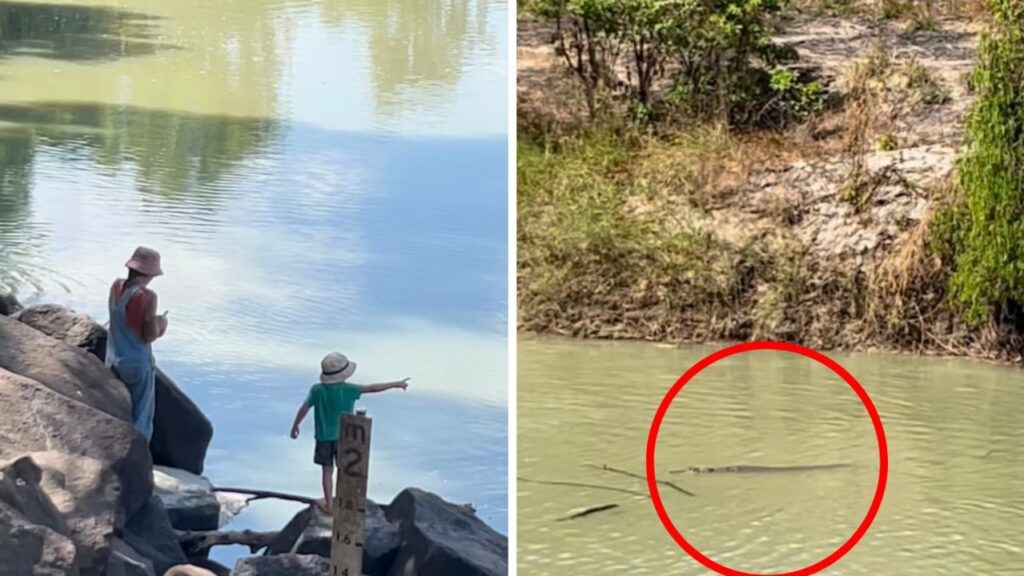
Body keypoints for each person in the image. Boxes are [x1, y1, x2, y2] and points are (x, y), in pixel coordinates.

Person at [290, 352, 409, 512]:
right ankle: (346, 501)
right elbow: (372, 388)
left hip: (323, 437)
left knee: (326, 471)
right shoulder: (349, 389)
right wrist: (395, 384)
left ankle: (329, 505)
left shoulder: (316, 390)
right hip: (345, 437)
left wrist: (295, 426)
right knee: (345, 470)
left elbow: (304, 409)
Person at [107, 246, 168, 441]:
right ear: (149, 274)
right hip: (136, 364)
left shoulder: (116, 287)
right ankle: (137, 457)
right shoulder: (147, 297)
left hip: (112, 359)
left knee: (116, 409)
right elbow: (148, 335)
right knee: (141, 416)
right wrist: (161, 323)